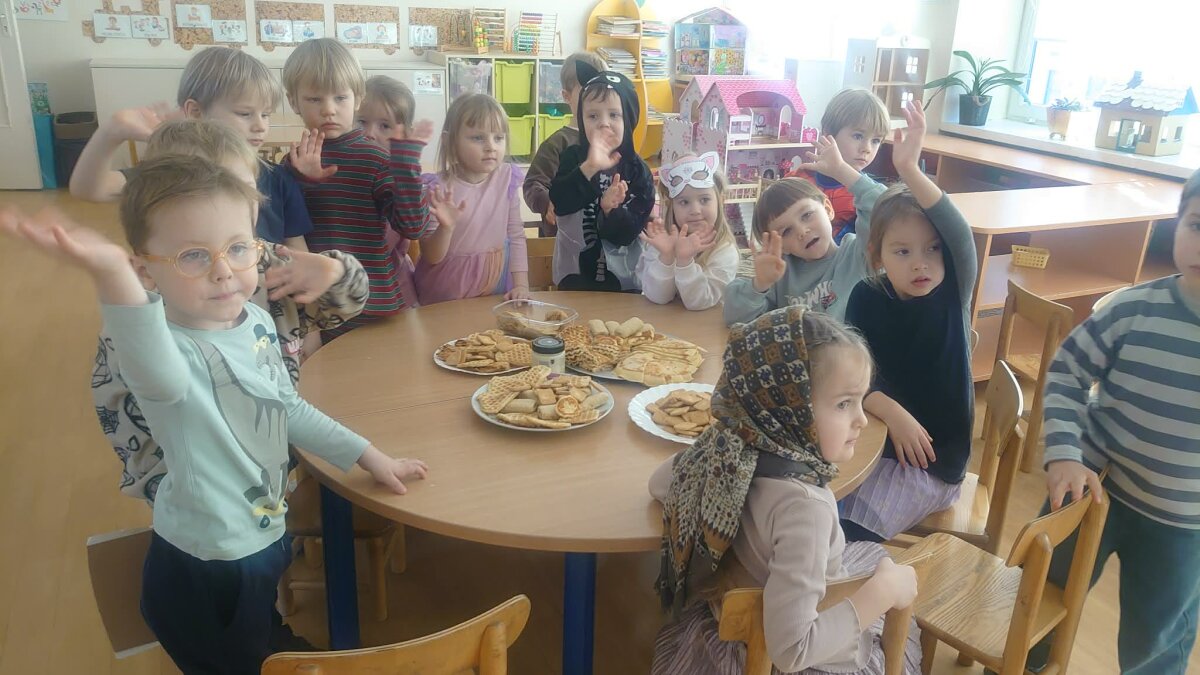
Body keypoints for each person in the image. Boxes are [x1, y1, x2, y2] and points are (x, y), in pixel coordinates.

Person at [0, 155, 427, 673]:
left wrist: (369, 456)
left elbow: (287, 408)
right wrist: (112, 275)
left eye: (238, 247)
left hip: (265, 531)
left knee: (258, 629)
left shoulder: (253, 320)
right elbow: (159, 374)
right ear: (145, 271)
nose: (223, 269)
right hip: (210, 559)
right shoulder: (166, 349)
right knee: (229, 654)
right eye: (193, 256)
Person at [650, 306, 921, 674]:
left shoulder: (734, 455)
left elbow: (661, 483)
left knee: (870, 556)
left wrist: (721, 438)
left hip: (732, 622)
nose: (861, 419)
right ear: (788, 411)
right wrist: (881, 594)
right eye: (843, 404)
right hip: (782, 656)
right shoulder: (805, 509)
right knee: (890, 575)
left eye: (860, 400)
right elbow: (792, 650)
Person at [1025, 168, 1200, 675]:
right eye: (1197, 225)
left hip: (1182, 523)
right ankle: (1017, 665)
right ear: (1178, 225)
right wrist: (1063, 453)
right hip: (1089, 487)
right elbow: (1066, 373)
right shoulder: (1132, 310)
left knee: (1157, 637)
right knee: (1037, 595)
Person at [838, 102, 978, 544]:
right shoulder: (866, 296)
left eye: (932, 249)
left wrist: (910, 170)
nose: (921, 263)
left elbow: (958, 233)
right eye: (902, 251)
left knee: (847, 531)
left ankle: (875, 587)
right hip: (872, 440)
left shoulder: (951, 293)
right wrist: (891, 412)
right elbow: (852, 374)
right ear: (877, 255)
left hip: (930, 465)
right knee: (804, 502)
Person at [281, 38, 454, 337]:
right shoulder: (292, 163)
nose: (329, 110)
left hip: (374, 306)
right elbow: (286, 232)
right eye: (314, 99)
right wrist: (303, 182)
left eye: (340, 98)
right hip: (318, 308)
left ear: (357, 98)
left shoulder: (375, 159)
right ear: (294, 101)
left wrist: (406, 167)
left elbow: (413, 227)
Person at [723, 133, 889, 325]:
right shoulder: (780, 274)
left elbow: (887, 208)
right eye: (786, 231)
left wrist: (841, 170)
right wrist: (760, 284)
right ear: (780, 246)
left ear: (828, 209)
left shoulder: (859, 254)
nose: (802, 231)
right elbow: (735, 317)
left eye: (807, 215)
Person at [413, 94, 530, 304]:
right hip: (445, 292)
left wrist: (521, 285)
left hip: (492, 287)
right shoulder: (437, 189)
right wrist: (446, 228)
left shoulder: (507, 178)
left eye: (498, 138)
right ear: (450, 142)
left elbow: (516, 236)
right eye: (478, 138)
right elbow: (431, 255)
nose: (491, 146)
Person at [549, 63, 654, 292]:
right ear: (582, 120)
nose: (603, 123)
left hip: (624, 285)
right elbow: (560, 202)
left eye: (614, 115)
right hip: (573, 277)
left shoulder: (638, 171)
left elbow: (630, 232)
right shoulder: (573, 157)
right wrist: (589, 167)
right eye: (593, 115)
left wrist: (610, 211)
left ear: (629, 120)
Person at [637, 151, 739, 310]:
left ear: (720, 200)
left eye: (704, 199)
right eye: (684, 202)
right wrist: (666, 257)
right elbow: (658, 298)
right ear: (672, 206)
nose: (695, 210)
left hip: (704, 324)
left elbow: (700, 302)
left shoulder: (724, 251)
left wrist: (685, 262)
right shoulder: (663, 242)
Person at [786, 89, 890, 242]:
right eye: (858, 136)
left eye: (876, 140)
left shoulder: (867, 193)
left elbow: (891, 210)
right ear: (828, 133)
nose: (867, 148)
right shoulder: (799, 179)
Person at [522, 51, 606, 236]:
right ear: (567, 96)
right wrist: (547, 202)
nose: (595, 101)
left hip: (601, 237)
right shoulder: (557, 144)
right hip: (561, 238)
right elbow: (533, 183)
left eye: (601, 93)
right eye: (586, 93)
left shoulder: (610, 139)